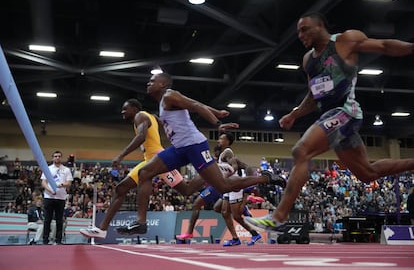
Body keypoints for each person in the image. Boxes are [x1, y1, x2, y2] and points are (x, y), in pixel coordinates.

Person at [245, 12, 414, 232]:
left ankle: (279, 216)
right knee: (367, 174)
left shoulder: (345, 41)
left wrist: (411, 47)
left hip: (346, 111)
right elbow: (314, 96)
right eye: (298, 31)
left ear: (320, 26)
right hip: (331, 118)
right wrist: (295, 114)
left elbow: (383, 45)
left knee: (301, 151)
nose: (300, 34)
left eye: (305, 29)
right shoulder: (308, 60)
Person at [117, 72, 284, 235]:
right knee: (145, 172)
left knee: (223, 186)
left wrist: (217, 123)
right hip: (179, 149)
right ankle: (140, 223)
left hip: (195, 146)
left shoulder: (169, 95)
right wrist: (216, 112)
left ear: (163, 84)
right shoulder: (163, 103)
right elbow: (194, 102)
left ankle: (265, 178)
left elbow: (195, 107)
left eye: (152, 81)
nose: (148, 83)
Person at [80, 99, 206, 238]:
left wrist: (121, 156)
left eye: (125, 109)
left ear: (134, 109)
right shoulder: (149, 116)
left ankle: (210, 172)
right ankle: (102, 229)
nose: (122, 112)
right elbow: (161, 124)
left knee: (186, 190)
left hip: (160, 159)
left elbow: (141, 137)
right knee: (120, 188)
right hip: (148, 160)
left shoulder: (140, 115)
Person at [41, 150, 73, 244]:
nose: (57, 158)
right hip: (49, 197)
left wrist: (62, 184)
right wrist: (50, 190)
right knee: (47, 219)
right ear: (53, 158)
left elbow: (69, 183)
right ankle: (45, 240)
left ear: (61, 158)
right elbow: (43, 182)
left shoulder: (66, 170)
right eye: (55, 156)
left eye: (59, 156)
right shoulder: (48, 168)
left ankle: (58, 240)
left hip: (61, 197)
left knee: (59, 220)